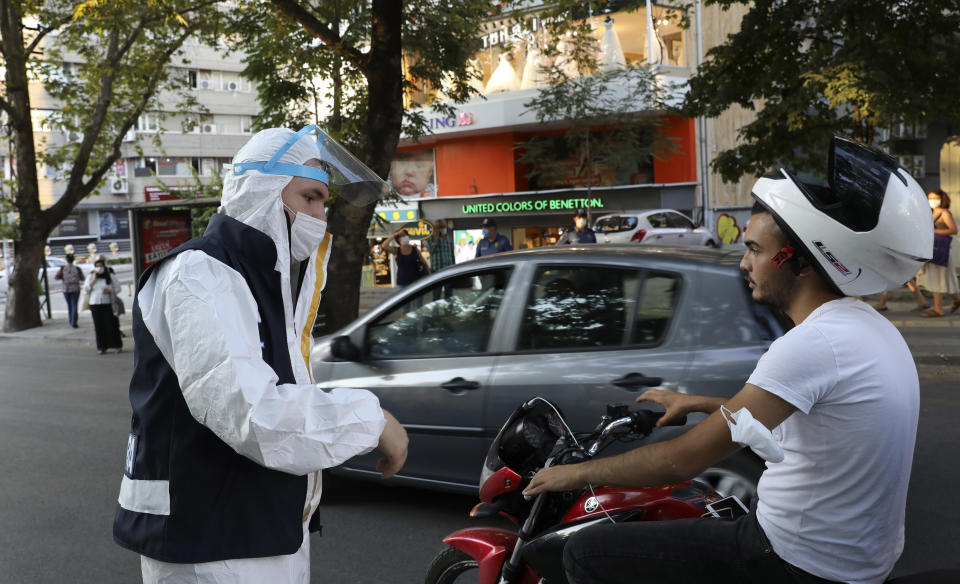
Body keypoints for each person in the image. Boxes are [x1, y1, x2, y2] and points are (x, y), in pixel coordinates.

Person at [523, 137, 933, 584]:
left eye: (755, 249)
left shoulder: (812, 344)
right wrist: (698, 402)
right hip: (856, 558)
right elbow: (802, 413)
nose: (743, 263)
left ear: (802, 262)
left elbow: (680, 461)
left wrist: (572, 475)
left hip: (792, 559)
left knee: (584, 552)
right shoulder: (866, 328)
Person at [112, 125, 409, 583]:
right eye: (309, 198)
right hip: (211, 544)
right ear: (263, 190)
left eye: (324, 203)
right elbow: (253, 415)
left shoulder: (259, 280)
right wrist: (372, 421)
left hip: (254, 530)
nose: (319, 216)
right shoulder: (202, 274)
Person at [915, 188, 960, 317]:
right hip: (934, 251)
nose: (932, 201)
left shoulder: (944, 213)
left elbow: (953, 230)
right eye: (930, 198)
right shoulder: (932, 212)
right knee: (943, 279)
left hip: (940, 252)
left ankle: (938, 309)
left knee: (937, 280)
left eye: (935, 198)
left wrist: (933, 232)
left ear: (942, 199)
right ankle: (957, 300)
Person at [84, 257, 122, 354]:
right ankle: (102, 347)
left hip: (108, 303)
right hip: (95, 304)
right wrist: (93, 280)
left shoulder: (110, 276)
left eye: (101, 266)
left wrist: (110, 291)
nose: (99, 268)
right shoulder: (91, 276)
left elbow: (118, 288)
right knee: (98, 326)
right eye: (97, 266)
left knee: (111, 325)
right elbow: (86, 289)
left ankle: (117, 345)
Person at [55, 253, 83, 328]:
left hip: (66, 289)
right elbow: (82, 278)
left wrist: (63, 278)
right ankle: (74, 321)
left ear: (66, 260)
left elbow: (56, 277)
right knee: (74, 305)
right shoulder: (77, 268)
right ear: (73, 260)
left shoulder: (63, 268)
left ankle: (71, 320)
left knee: (69, 305)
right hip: (75, 289)